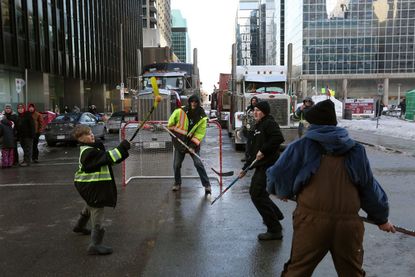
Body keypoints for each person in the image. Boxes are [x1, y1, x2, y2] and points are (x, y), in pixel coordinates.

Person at [266, 99, 396, 276]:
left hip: (311, 222)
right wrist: (382, 219)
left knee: (298, 270)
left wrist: (282, 191)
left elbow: (277, 174)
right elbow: (368, 187)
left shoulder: (302, 146)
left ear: (314, 124)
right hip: (348, 226)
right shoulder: (356, 150)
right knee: (352, 272)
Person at [72, 125, 130, 255]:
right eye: (87, 134)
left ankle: (79, 226)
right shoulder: (87, 152)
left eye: (91, 132)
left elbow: (108, 160)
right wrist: (122, 147)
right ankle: (95, 244)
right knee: (97, 207)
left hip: (88, 185)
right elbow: (107, 157)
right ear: (80, 139)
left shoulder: (93, 148)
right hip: (89, 185)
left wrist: (122, 150)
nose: (91, 135)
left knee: (90, 204)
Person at [238, 100, 285, 240]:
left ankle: (275, 229)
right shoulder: (257, 126)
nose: (255, 112)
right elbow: (253, 151)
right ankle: (275, 215)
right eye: (254, 110)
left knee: (257, 194)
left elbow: (278, 138)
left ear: (264, 112)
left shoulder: (269, 123)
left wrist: (263, 151)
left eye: (258, 110)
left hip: (269, 165)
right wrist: (245, 168)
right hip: (261, 165)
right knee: (258, 193)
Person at [168, 94, 212, 194]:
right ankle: (177, 183)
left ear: (198, 103)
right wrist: (174, 136)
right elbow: (170, 124)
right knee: (176, 165)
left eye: (195, 102)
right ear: (189, 102)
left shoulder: (202, 116)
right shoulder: (180, 111)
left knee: (198, 163)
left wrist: (192, 146)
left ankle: (207, 185)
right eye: (192, 101)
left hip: (193, 144)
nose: (193, 103)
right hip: (180, 142)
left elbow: (200, 134)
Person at [241, 96, 258, 162]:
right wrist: (244, 125)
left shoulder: (258, 109)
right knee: (248, 142)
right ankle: (247, 156)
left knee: (256, 142)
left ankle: (254, 157)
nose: (253, 102)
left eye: (255, 100)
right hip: (249, 128)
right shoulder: (248, 108)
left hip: (256, 128)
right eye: (252, 100)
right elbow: (245, 116)